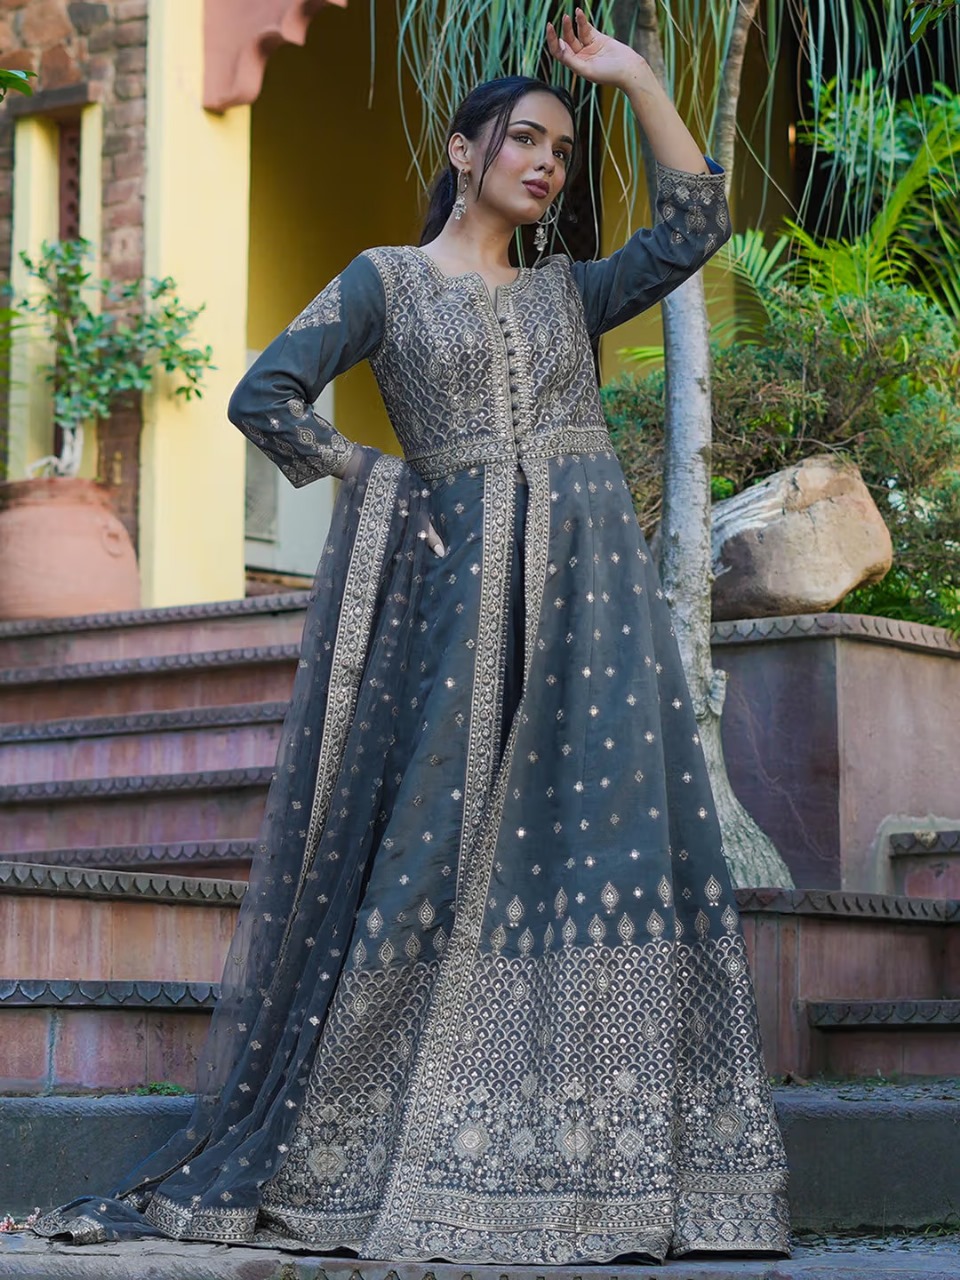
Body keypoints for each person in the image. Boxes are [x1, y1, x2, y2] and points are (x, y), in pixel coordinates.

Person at [35, 11, 789, 1263]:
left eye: (561, 149)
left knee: (596, 851)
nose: (546, 163)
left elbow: (696, 224)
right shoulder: (385, 279)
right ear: (462, 148)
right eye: (525, 138)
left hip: (598, 613)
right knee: (434, 847)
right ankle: (386, 1142)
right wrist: (381, 480)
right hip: (461, 601)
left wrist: (635, 78)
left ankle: (599, 1160)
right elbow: (266, 392)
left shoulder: (570, 291)